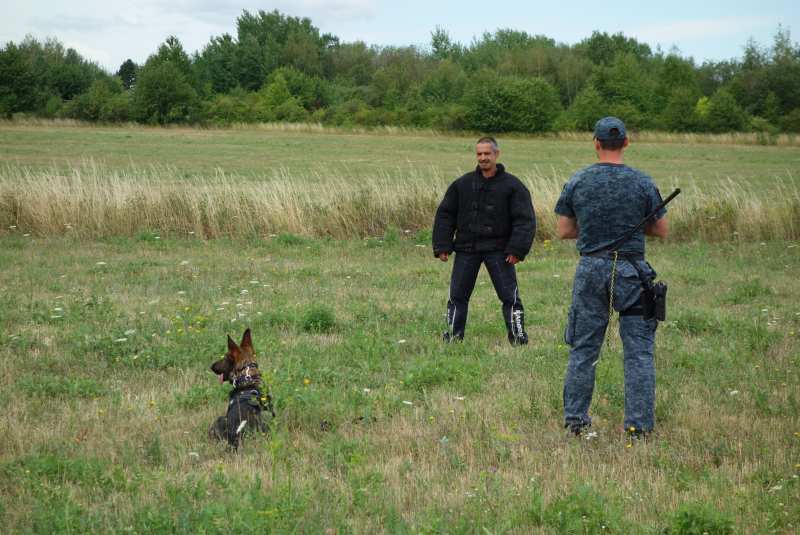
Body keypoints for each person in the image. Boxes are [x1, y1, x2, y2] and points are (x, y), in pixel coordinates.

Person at [555, 117, 668, 438]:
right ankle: (638, 427)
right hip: (633, 272)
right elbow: (660, 230)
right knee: (639, 352)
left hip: (592, 270)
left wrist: (593, 228)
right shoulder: (643, 182)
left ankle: (575, 423)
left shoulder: (578, 180)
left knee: (583, 349)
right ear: (627, 142)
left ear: (596, 143)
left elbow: (564, 231)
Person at [432, 136, 537, 345]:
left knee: (510, 297)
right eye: (479, 154)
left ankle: (518, 339)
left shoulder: (513, 186)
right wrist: (442, 245)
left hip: (499, 249)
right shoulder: (462, 184)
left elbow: (525, 219)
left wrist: (517, 248)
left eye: (487, 153)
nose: (482, 158)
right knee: (457, 297)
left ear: (496, 154)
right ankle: (452, 339)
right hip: (466, 248)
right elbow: (445, 214)